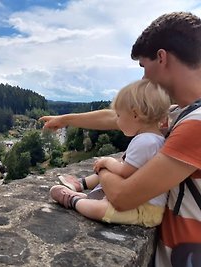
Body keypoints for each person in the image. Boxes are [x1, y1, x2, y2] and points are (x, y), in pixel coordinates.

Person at [40, 12, 201, 267]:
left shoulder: (195, 124)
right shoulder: (179, 113)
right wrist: (67, 118)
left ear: (161, 58)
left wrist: (103, 167)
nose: (143, 79)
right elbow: (117, 117)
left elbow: (123, 197)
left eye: (143, 67)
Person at [50, 79, 171, 227]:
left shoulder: (145, 142)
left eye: (119, 116)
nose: (117, 122)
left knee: (100, 210)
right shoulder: (155, 138)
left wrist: (107, 161)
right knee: (112, 168)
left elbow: (125, 172)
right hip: (140, 201)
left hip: (144, 210)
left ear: (135, 115)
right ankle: (83, 190)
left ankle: (74, 200)